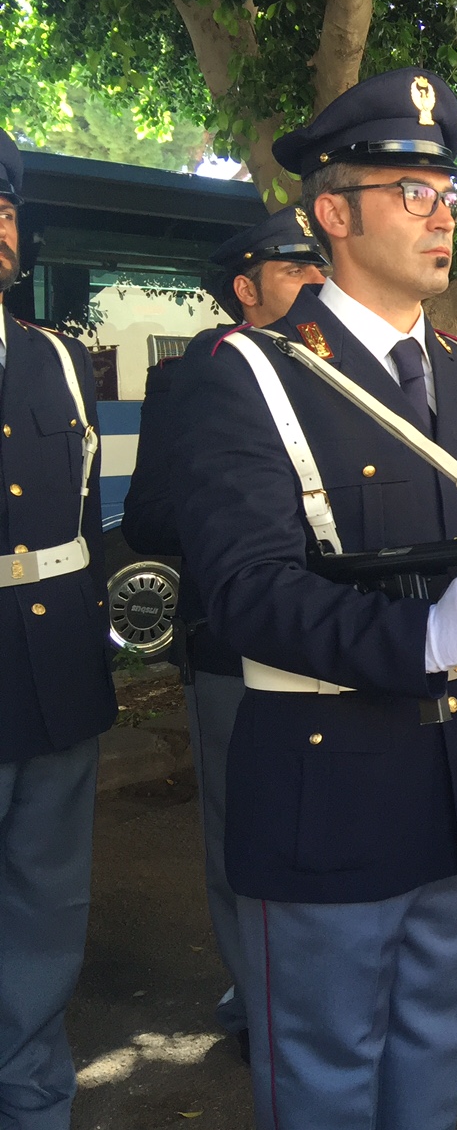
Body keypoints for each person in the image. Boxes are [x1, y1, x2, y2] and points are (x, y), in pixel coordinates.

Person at [173, 68, 457, 1130]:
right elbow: (244, 591)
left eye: (449, 192)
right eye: (413, 192)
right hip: (327, 784)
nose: (444, 215)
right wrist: (420, 635)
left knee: (434, 1054)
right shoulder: (250, 376)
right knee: (326, 1075)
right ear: (334, 212)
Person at [121, 207, 328, 1062]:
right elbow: (147, 518)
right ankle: (256, 997)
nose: (316, 282)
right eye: (295, 272)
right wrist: (239, 522)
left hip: (331, 638)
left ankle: (313, 990)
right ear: (246, 289)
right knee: (241, 829)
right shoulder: (197, 377)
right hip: (235, 638)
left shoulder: (333, 369)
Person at [0, 127, 119, 1130]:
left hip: (52, 667)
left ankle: (33, 1096)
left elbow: (84, 519)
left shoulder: (57, 361)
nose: (1, 224)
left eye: (5, 209)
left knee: (46, 906)